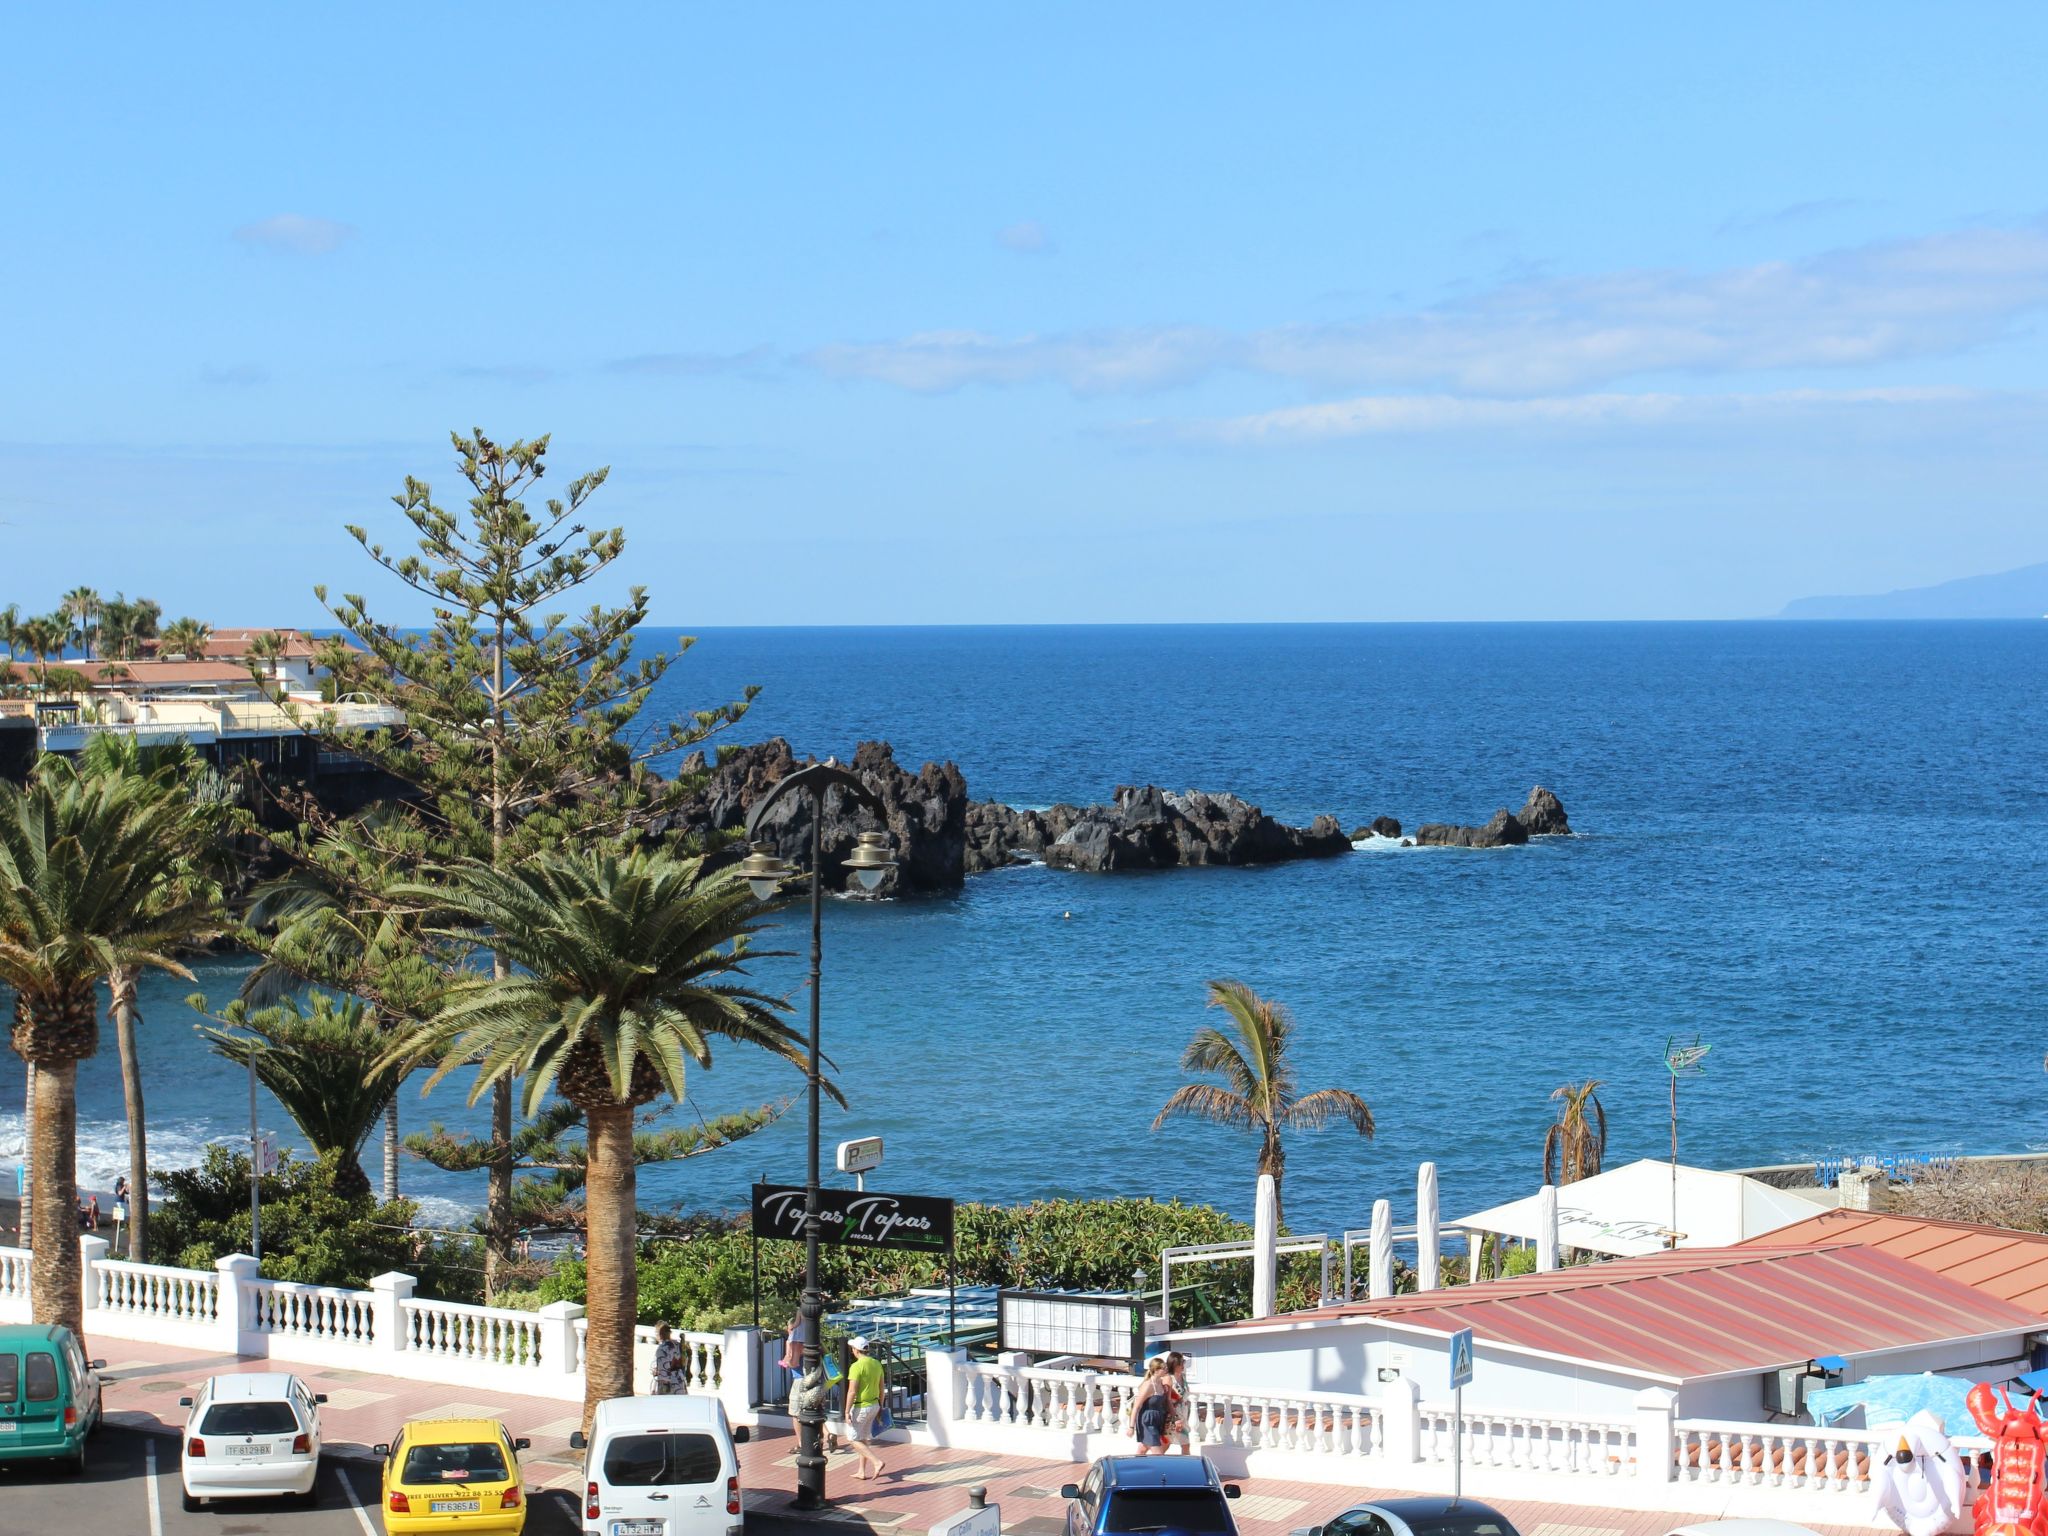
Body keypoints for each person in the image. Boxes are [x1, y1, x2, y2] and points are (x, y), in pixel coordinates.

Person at [842, 1335, 888, 1480]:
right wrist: (880, 1406)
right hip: (874, 1405)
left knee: (853, 1439)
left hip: (861, 1407)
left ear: (856, 1350)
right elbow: (882, 1388)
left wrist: (846, 1410)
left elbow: (852, 1391)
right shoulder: (876, 1364)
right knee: (863, 1439)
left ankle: (877, 1462)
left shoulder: (856, 1366)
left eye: (852, 1348)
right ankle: (861, 1471)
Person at [1128, 1357, 1171, 1455]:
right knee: (1158, 1453)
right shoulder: (1148, 1385)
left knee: (1143, 1449)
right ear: (1156, 1370)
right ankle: (1162, 1470)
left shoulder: (1161, 1383)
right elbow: (1136, 1406)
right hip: (1147, 1421)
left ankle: (1134, 1466)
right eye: (1163, 1368)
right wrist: (1131, 1427)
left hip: (1157, 1420)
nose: (1166, 1370)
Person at [1163, 1352, 1192, 1453]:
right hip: (1172, 1417)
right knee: (1166, 1444)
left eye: (1183, 1362)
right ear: (1174, 1365)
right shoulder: (1168, 1378)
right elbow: (1167, 1399)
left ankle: (1185, 1467)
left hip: (1183, 1415)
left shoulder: (1183, 1377)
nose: (1183, 1366)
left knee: (1184, 1444)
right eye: (1181, 1363)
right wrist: (1175, 1418)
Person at [652, 1323, 689, 1395]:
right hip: (679, 1381)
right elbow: (684, 1362)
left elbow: (662, 1369)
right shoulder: (678, 1345)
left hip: (668, 1384)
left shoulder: (662, 1349)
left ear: (660, 1334)